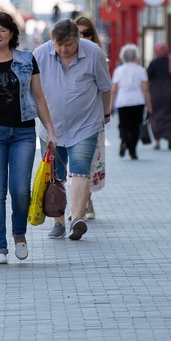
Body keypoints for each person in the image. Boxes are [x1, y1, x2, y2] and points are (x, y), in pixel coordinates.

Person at [0, 11, 57, 264]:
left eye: (2, 31)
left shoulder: (28, 60)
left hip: (23, 133)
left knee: (19, 189)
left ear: (12, 34)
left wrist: (49, 129)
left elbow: (39, 96)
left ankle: (19, 234)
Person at [33, 19, 112, 241]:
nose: (63, 49)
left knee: (80, 169)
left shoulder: (93, 53)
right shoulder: (40, 55)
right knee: (55, 175)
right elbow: (32, 90)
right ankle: (58, 222)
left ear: (77, 39)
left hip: (85, 125)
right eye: (59, 45)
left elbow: (105, 87)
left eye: (68, 44)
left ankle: (76, 218)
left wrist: (105, 115)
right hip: (50, 127)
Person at [74, 15, 105, 220]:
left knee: (90, 163)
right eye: (78, 34)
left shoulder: (99, 55)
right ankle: (79, 206)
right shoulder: (64, 56)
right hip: (69, 119)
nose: (83, 37)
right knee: (74, 165)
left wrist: (107, 114)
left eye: (87, 33)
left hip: (93, 118)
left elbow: (106, 88)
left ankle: (87, 201)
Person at [110, 44, 152, 160]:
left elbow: (114, 90)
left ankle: (124, 140)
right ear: (136, 57)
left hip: (122, 101)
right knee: (135, 127)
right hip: (138, 101)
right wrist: (149, 105)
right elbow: (145, 89)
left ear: (122, 56)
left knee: (123, 125)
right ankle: (133, 151)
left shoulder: (118, 71)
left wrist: (111, 106)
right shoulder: (141, 70)